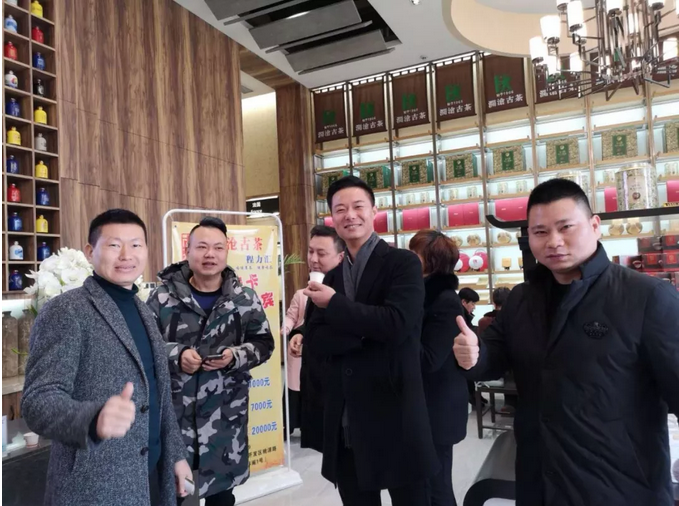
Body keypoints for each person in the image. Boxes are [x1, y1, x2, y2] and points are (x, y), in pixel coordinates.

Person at [453, 178, 679, 506]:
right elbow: (494, 355)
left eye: (566, 227)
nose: (554, 241)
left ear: (595, 226)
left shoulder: (646, 297)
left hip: (621, 487)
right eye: (540, 232)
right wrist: (473, 355)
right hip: (539, 480)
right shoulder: (522, 299)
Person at [21, 209, 191, 506]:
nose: (126, 255)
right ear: (90, 252)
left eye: (136, 245)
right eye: (114, 245)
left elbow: (158, 395)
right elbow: (37, 401)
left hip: (150, 477)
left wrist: (175, 455)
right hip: (95, 488)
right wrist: (92, 418)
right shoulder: (66, 311)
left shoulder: (143, 310)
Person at [303, 176, 438, 506]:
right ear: (332, 218)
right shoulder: (331, 276)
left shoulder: (402, 263)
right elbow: (316, 338)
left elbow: (397, 324)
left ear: (374, 211)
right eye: (340, 209)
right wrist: (367, 332)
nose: (350, 215)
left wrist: (336, 306)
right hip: (347, 418)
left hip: (395, 413)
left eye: (358, 206)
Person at [146, 217, 274, 506]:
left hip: (225, 419)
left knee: (222, 497)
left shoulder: (244, 299)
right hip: (177, 419)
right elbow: (143, 345)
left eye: (218, 247)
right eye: (202, 247)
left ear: (226, 252)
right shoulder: (162, 297)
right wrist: (176, 355)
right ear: (188, 251)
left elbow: (264, 344)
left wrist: (235, 356)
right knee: (180, 495)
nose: (210, 254)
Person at [409, 230, 468, 506]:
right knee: (424, 484)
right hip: (424, 405)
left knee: (437, 486)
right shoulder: (420, 294)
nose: (410, 257)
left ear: (431, 261)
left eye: (415, 253)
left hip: (438, 409)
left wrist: (398, 329)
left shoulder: (444, 301)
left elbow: (430, 359)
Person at [284, 225, 344, 446]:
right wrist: (299, 333)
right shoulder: (310, 289)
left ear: (340, 256)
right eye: (310, 252)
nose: (313, 259)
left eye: (321, 253)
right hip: (315, 379)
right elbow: (307, 322)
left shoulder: (347, 289)